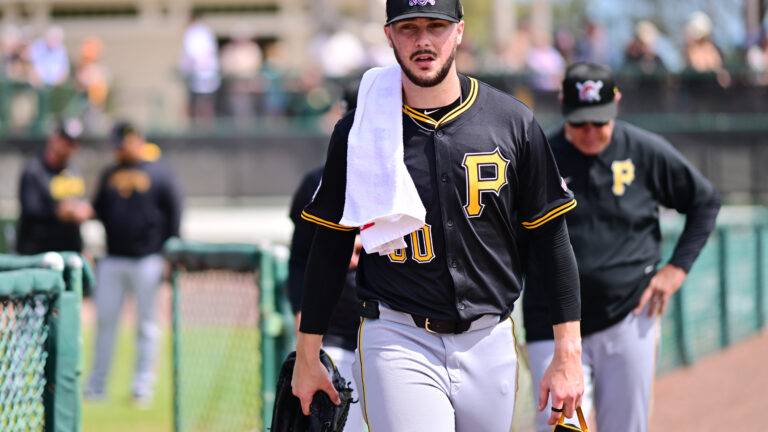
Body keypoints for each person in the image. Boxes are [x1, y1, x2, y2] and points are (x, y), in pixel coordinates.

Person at [291, 1, 584, 431]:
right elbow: (330, 246)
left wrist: (567, 354)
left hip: (490, 335)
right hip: (399, 335)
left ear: (460, 31)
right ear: (389, 35)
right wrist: (307, 353)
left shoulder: (512, 121)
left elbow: (553, 241)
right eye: (408, 28)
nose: (423, 40)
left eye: (436, 26)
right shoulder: (361, 130)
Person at [522, 62, 721, 432]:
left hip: (630, 316)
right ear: (563, 103)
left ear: (616, 102)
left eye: (600, 120)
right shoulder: (539, 154)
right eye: (580, 121)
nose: (591, 132)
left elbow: (705, 201)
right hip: (551, 323)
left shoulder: (643, 150)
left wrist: (677, 268)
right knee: (557, 428)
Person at [85, 121, 183, 406]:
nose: (118, 150)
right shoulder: (109, 173)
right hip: (113, 258)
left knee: (147, 325)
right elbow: (99, 210)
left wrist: (170, 254)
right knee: (104, 322)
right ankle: (97, 385)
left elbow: (175, 213)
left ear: (137, 140)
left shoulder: (160, 172)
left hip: (148, 260)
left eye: (123, 143)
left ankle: (142, 387)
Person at [288, 166, 365, 432]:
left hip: (401, 330)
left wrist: (363, 242)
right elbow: (299, 257)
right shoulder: (318, 181)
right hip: (336, 333)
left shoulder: (412, 170)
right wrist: (302, 314)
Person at [17, 118, 93, 255]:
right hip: (38, 253)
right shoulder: (34, 170)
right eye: (66, 140)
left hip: (69, 251)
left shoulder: (73, 171)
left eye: (74, 142)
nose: (70, 146)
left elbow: (79, 205)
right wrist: (58, 212)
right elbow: (31, 210)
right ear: (53, 139)